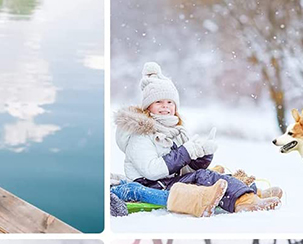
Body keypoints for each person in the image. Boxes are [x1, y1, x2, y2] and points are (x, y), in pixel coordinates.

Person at [113, 62, 282, 215]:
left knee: (209, 174)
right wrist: (185, 152)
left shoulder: (174, 132)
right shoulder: (140, 135)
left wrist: (201, 155)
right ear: (148, 107)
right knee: (205, 177)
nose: (165, 106)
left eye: (170, 102)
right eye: (159, 102)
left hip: (168, 181)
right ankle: (244, 201)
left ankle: (251, 192)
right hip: (151, 186)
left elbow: (185, 169)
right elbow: (152, 170)